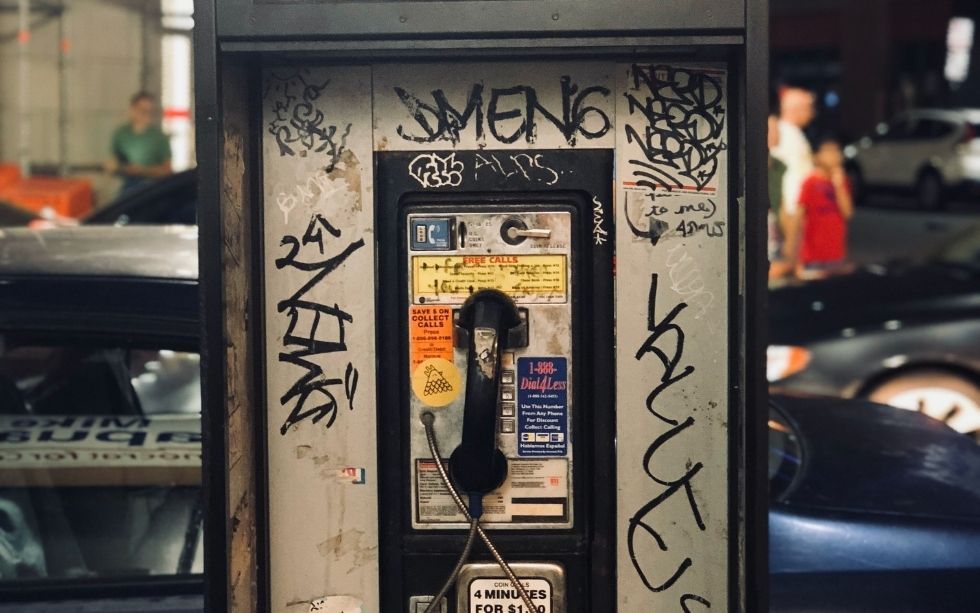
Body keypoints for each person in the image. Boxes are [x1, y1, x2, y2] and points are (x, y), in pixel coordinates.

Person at [771, 87, 816, 274]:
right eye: (809, 108)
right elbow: (790, 180)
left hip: (795, 209)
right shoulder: (785, 135)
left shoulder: (793, 133)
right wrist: (791, 216)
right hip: (791, 210)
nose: (812, 113)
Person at [795, 136, 854, 279]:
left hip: (835, 255)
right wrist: (797, 258)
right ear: (816, 157)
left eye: (836, 151)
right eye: (828, 151)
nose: (834, 155)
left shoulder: (842, 181)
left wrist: (839, 185)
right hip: (813, 256)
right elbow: (799, 218)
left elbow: (848, 213)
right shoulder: (810, 182)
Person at [105, 92, 172, 193]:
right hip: (129, 188)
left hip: (153, 188)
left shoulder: (159, 137)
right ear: (133, 109)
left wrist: (142, 170)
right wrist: (114, 167)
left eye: (150, 111)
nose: (146, 114)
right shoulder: (121, 134)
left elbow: (167, 170)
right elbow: (113, 163)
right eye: (143, 110)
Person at [767, 110, 791, 280]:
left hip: (774, 240)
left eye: (777, 129)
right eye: (771, 129)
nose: (776, 134)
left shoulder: (779, 166)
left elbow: (781, 206)